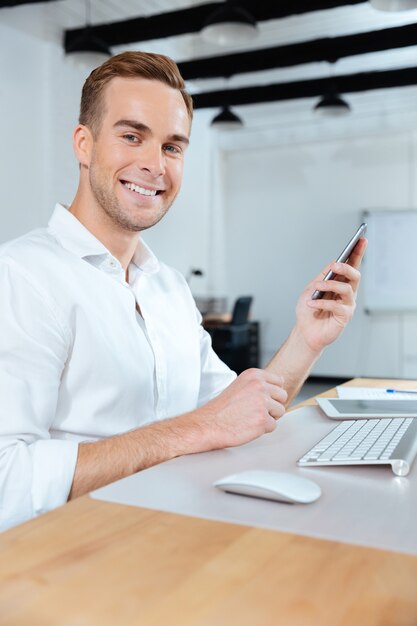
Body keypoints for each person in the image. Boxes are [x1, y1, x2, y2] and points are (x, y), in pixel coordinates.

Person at [0, 51, 366, 531]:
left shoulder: (167, 287)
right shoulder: (21, 276)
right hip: (74, 558)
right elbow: (8, 479)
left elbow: (239, 410)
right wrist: (199, 427)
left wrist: (307, 340)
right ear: (84, 144)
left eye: (173, 147)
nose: (155, 165)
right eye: (132, 136)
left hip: (177, 529)